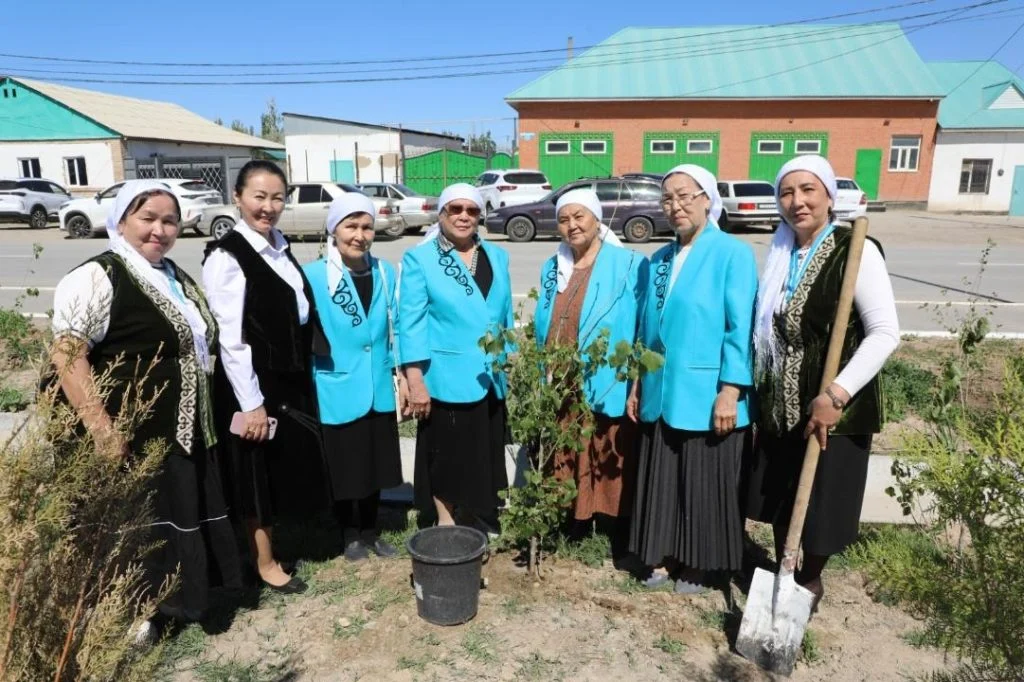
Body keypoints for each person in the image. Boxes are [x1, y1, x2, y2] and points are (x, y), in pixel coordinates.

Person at [50, 180, 241, 633]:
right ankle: (132, 617)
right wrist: (102, 428)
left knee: (171, 518)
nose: (160, 229)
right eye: (147, 218)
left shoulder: (173, 274)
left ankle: (172, 602)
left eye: (169, 220)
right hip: (131, 432)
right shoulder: (99, 276)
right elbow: (67, 354)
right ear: (121, 221)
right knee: (136, 523)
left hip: (179, 427)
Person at [743, 154, 899, 611]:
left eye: (808, 190)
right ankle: (783, 569)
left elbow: (885, 333)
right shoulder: (780, 254)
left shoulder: (856, 249)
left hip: (834, 407)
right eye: (787, 193)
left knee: (823, 503)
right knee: (782, 496)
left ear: (830, 197)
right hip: (782, 406)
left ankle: (809, 581)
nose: (797, 201)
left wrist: (836, 394)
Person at [627, 164, 759, 594]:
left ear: (707, 199)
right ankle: (662, 553)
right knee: (663, 477)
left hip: (708, 390)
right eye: (667, 198)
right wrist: (637, 382)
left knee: (703, 479)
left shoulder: (732, 253)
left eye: (685, 195)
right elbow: (646, 330)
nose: (675, 205)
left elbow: (739, 328)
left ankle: (701, 564)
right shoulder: (660, 259)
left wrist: (731, 390)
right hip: (662, 389)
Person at [202, 160, 327, 594]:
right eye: (259, 196)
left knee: (274, 471)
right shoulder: (228, 257)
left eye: (277, 197)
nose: (268, 206)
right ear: (237, 197)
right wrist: (251, 402)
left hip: (283, 380)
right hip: (251, 385)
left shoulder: (277, 245)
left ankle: (268, 547)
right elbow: (231, 340)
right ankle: (265, 563)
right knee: (254, 475)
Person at [533, 188, 647, 557]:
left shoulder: (628, 263)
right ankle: (574, 517)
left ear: (597, 220)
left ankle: (614, 520)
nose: (571, 226)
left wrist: (635, 377)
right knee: (567, 442)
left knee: (605, 441)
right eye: (564, 219)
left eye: (579, 217)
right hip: (561, 376)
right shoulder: (552, 266)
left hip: (606, 373)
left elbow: (641, 324)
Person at [398, 183, 513, 531]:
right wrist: (414, 379)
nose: (464, 216)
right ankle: (447, 522)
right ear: (442, 213)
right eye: (455, 209)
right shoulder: (421, 258)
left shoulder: (497, 255)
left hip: (489, 375)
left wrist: (511, 359)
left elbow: (503, 314)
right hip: (446, 376)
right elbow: (411, 322)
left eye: (472, 210)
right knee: (447, 457)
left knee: (483, 452)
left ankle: (477, 514)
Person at [303, 193, 404, 561]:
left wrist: (401, 373)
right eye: (351, 226)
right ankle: (349, 532)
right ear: (334, 230)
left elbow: (396, 324)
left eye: (366, 227)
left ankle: (371, 529)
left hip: (376, 382)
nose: (359, 235)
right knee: (347, 462)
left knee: (376, 461)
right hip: (338, 381)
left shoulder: (384, 271)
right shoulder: (314, 276)